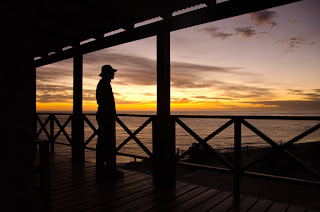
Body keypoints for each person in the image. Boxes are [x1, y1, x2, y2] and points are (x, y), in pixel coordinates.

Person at [96, 65, 123, 178]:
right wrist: (111, 114)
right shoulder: (104, 85)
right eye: (112, 72)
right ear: (107, 73)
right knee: (107, 142)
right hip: (106, 117)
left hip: (105, 116)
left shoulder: (104, 84)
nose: (113, 74)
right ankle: (108, 168)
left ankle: (103, 167)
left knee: (104, 141)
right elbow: (105, 102)